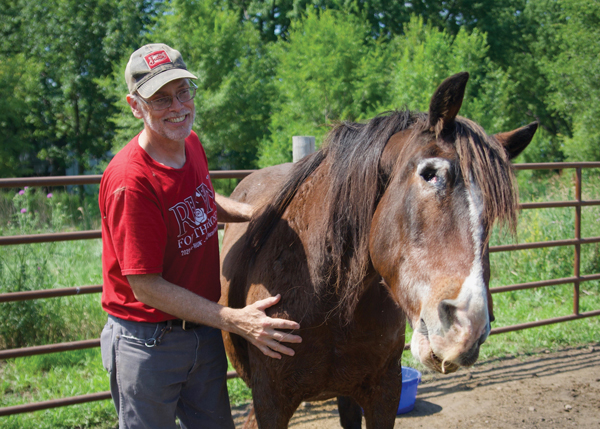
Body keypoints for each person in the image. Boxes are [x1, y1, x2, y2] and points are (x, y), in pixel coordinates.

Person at [99, 43, 302, 429]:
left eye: (183, 92)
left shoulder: (187, 143)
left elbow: (201, 199)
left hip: (203, 333)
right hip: (148, 343)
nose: (177, 107)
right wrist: (236, 320)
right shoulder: (132, 182)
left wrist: (256, 214)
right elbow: (146, 286)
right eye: (160, 99)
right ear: (135, 106)